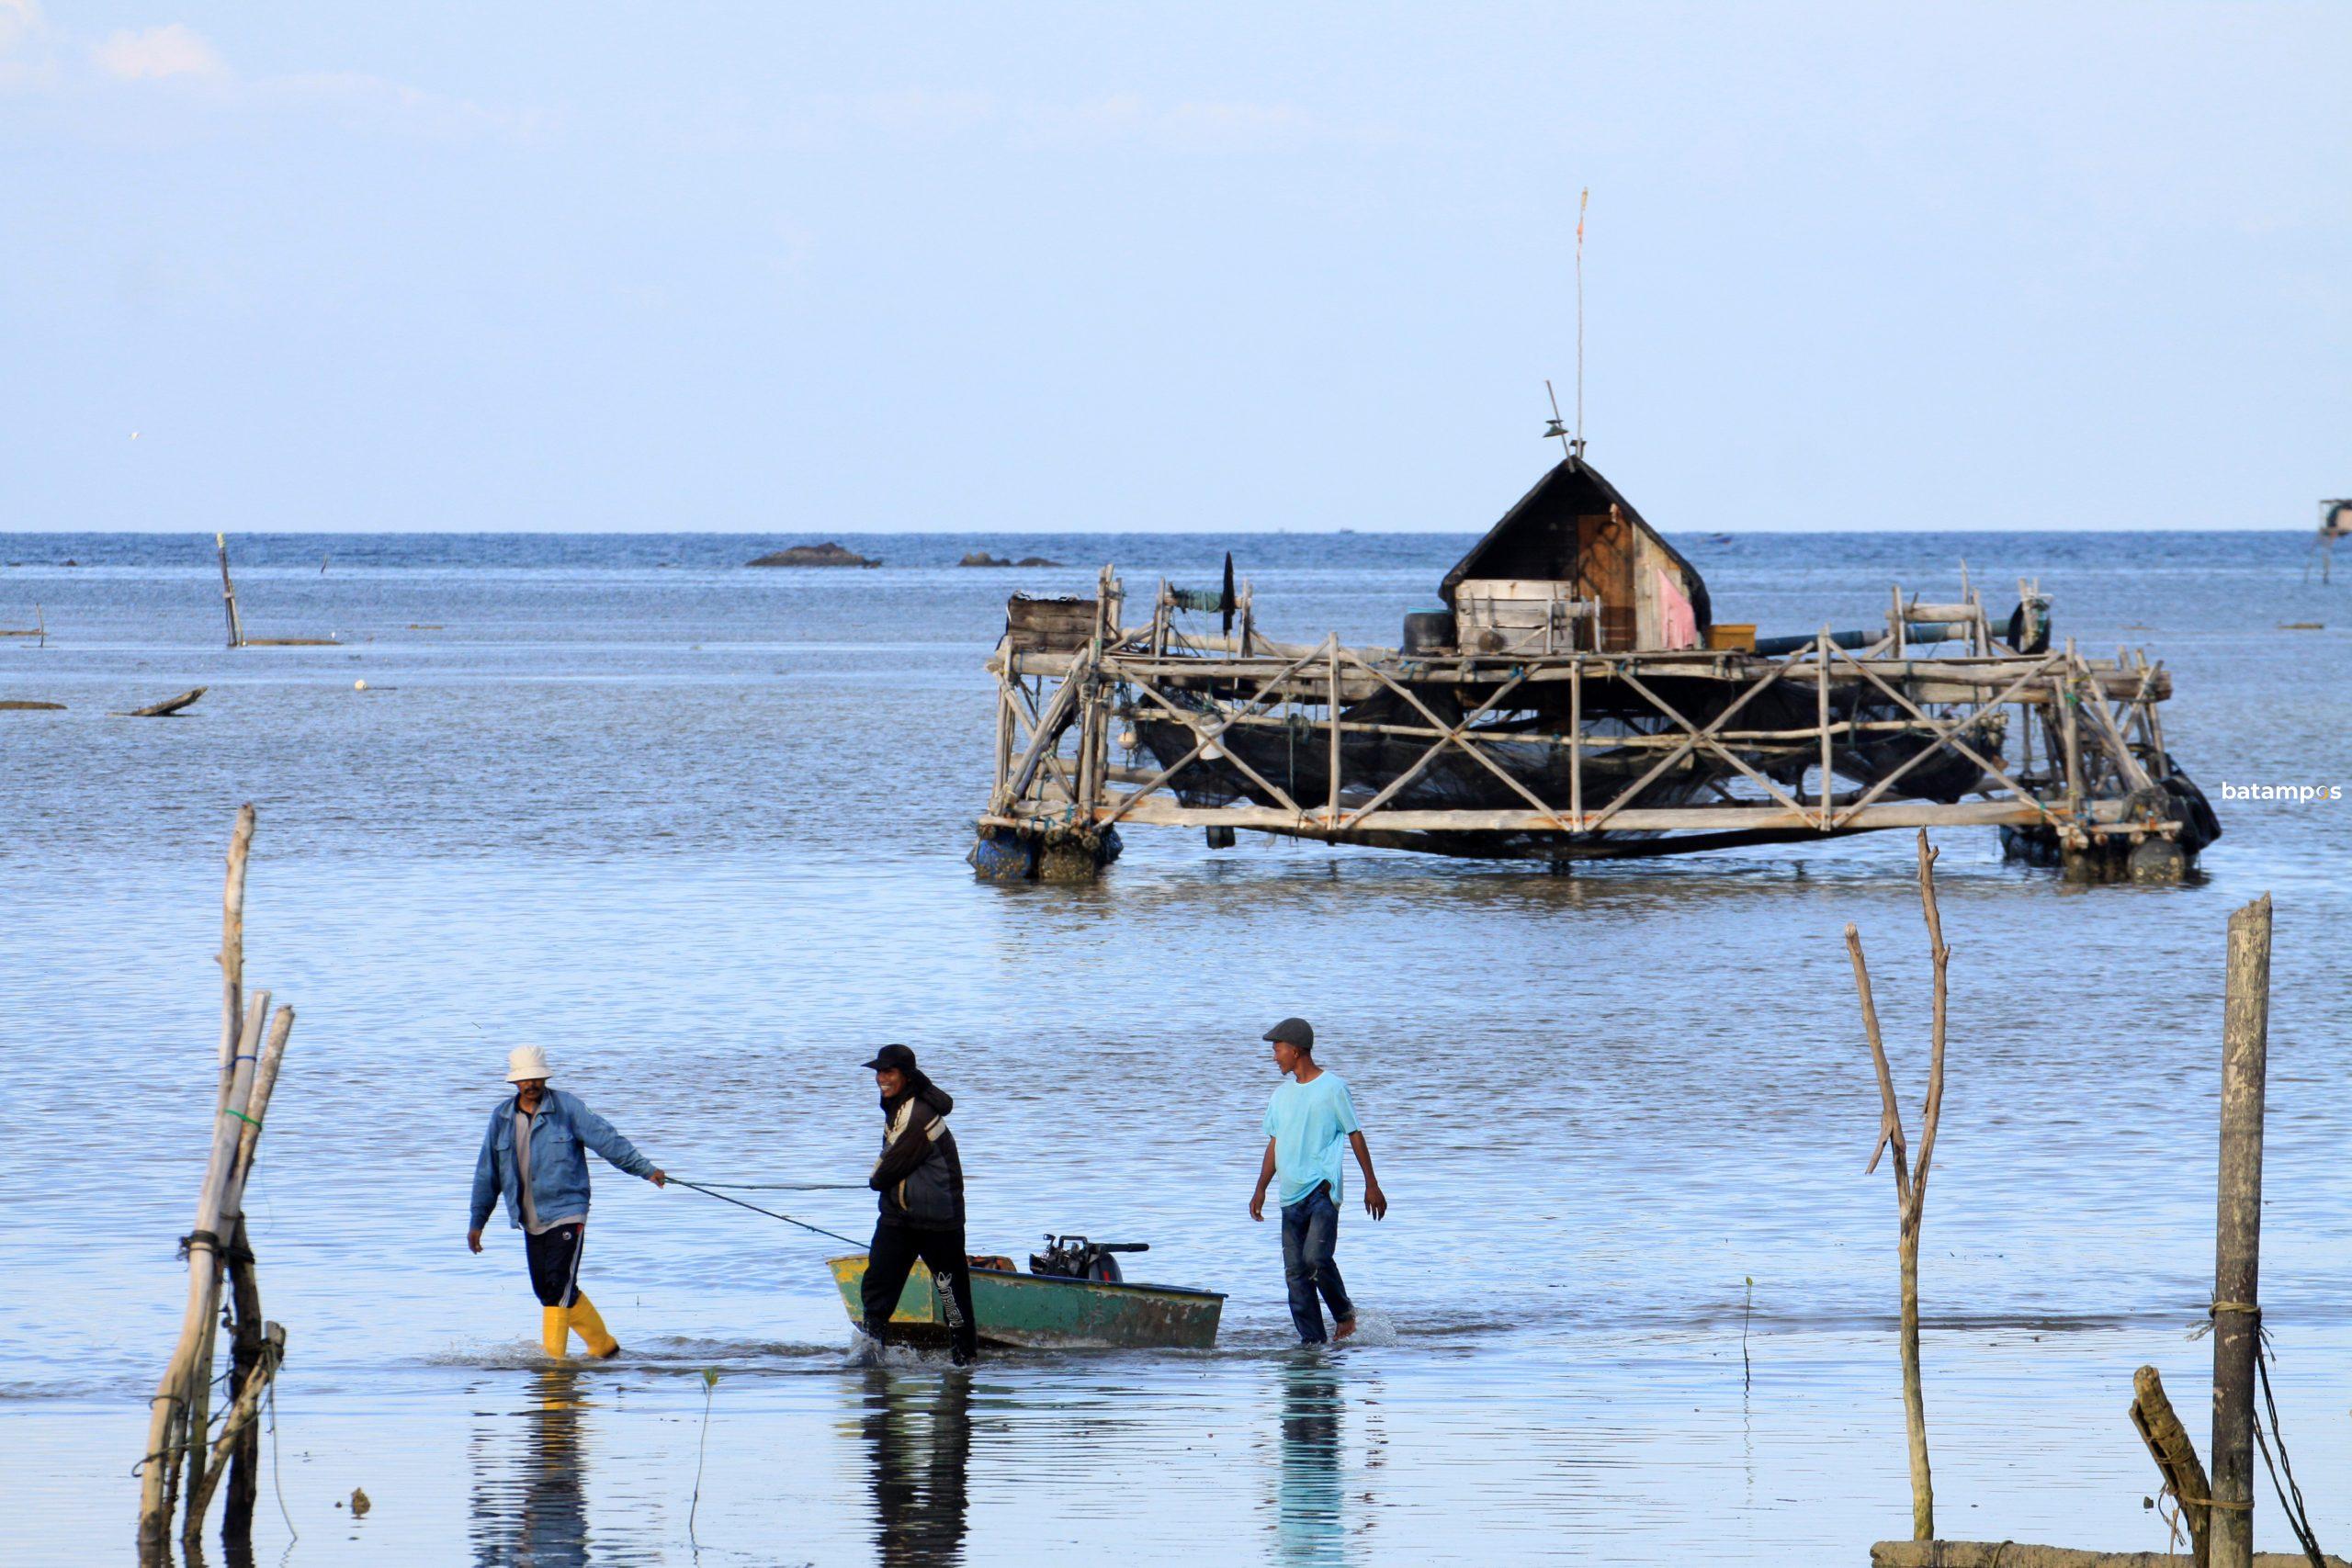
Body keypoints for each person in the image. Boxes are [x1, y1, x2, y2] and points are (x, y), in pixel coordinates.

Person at [468, 1045, 666, 1359]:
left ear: (544, 1078)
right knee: (546, 1289)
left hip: (567, 1211)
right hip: (530, 1217)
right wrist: (478, 1221)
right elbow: (486, 1172)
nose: (530, 1084)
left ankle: (553, 1370)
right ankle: (604, 1346)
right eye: (524, 1080)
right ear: (514, 1083)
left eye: (536, 1078)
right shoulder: (502, 1117)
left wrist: (645, 1169)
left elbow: (608, 1140)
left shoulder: (567, 1108)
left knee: (558, 1285)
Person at [1248, 1017, 1386, 1344]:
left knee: (1316, 1259)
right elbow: (1275, 1143)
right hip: (1289, 1196)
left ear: (1295, 1050)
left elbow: (1354, 1134)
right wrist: (1260, 1188)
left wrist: (1372, 1183)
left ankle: (1343, 1314)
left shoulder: (1333, 1088)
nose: (1274, 1056)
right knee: (1296, 1276)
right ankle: (1312, 1344)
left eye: (1278, 1049)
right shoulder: (1280, 1096)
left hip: (1321, 1191)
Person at [858, 1044, 978, 1366]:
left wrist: (874, 1178)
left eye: (889, 1072)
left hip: (938, 1221)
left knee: (950, 1296)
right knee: (877, 1287)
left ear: (906, 1077)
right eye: (879, 1072)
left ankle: (964, 1362)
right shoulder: (898, 1102)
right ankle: (871, 1356)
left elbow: (884, 1174)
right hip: (899, 1217)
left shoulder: (917, 1114)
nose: (881, 1078)